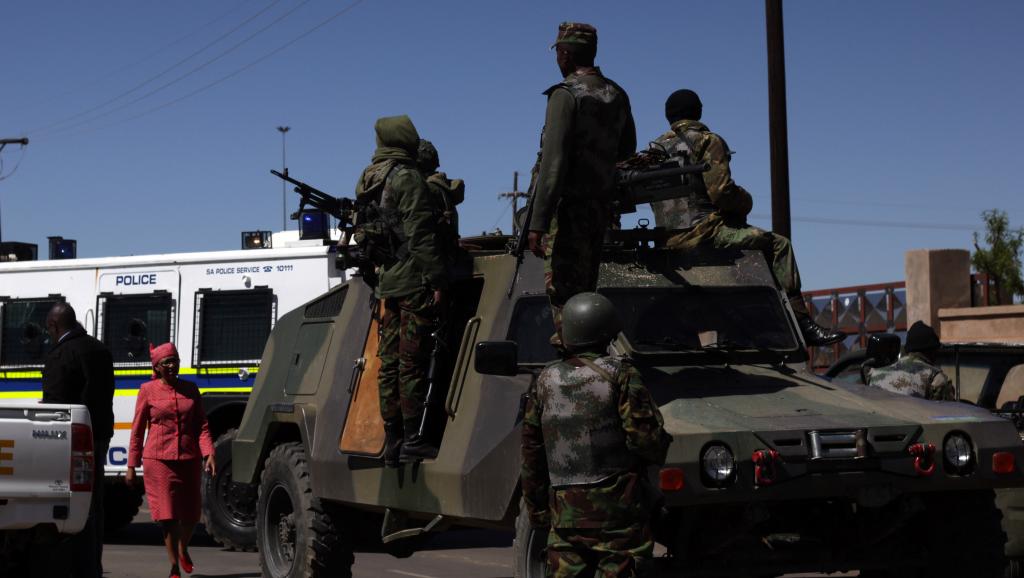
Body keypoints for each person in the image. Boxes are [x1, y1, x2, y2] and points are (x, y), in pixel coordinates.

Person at [653, 89, 844, 347]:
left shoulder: (655, 149)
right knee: (779, 245)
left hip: (668, 240)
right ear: (698, 111)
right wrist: (746, 201)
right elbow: (722, 193)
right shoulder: (707, 141)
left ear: (668, 117)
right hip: (706, 233)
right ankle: (802, 323)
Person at [521, 292, 672, 577]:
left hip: (565, 517)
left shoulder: (544, 381)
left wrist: (539, 511)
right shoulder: (621, 375)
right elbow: (646, 441)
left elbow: (532, 454)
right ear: (607, 333)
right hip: (618, 516)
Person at [527, 22, 637, 348]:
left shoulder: (565, 95)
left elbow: (553, 164)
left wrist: (538, 223)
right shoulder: (616, 93)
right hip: (599, 212)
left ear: (565, 54)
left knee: (563, 301)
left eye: (558, 52)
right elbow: (627, 148)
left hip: (568, 213)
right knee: (587, 296)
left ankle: (573, 378)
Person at [355, 115, 448, 465]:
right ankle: (413, 439)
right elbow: (421, 234)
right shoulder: (407, 177)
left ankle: (392, 439)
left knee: (389, 363)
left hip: (387, 280)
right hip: (412, 280)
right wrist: (437, 279)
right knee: (412, 361)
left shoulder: (369, 177)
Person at [126, 343, 215, 578]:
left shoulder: (191, 389)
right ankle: (174, 565)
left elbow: (202, 426)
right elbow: (137, 430)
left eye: (175, 360)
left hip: (188, 458)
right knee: (167, 515)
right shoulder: (147, 390)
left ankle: (183, 547)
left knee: (192, 513)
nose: (173, 365)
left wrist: (209, 453)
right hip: (158, 460)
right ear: (157, 366)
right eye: (167, 362)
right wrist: (131, 466)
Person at [41, 302, 114, 578]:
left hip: (70, 442)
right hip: (99, 436)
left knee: (70, 505)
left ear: (54, 326)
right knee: (95, 504)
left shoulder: (62, 354)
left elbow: (55, 402)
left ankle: (77, 566)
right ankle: (93, 565)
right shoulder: (100, 349)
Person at [867, 321, 955, 400]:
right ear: (931, 351)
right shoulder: (936, 380)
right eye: (936, 350)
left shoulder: (874, 375)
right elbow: (949, 414)